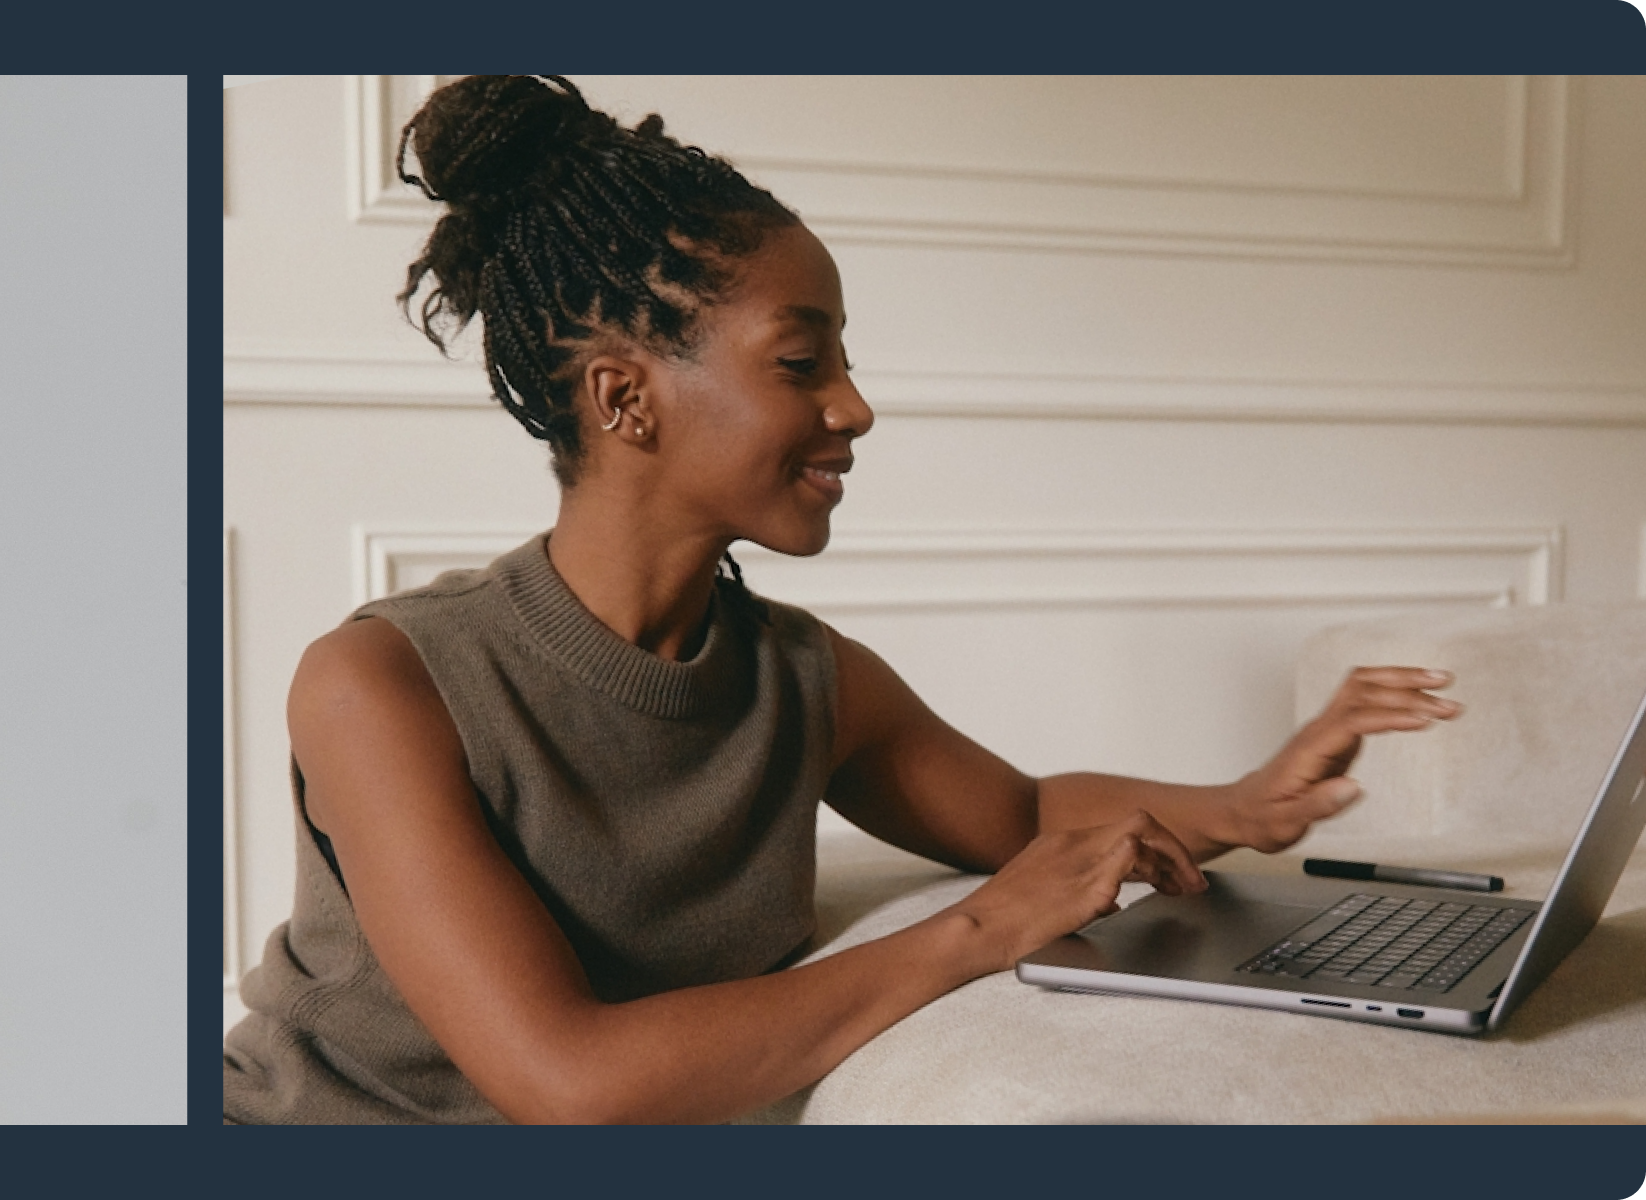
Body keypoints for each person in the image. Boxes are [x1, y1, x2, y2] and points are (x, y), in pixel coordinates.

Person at [218, 75, 1462, 1125]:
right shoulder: (384, 684)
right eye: (802, 362)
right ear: (623, 398)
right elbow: (568, 1078)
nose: (855, 408)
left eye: (845, 363)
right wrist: (979, 932)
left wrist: (1249, 803)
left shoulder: (806, 677)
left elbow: (1024, 812)